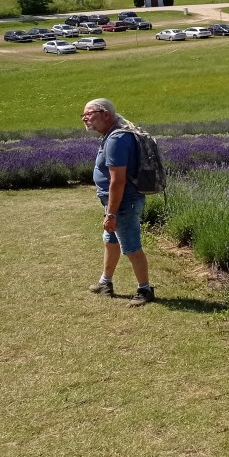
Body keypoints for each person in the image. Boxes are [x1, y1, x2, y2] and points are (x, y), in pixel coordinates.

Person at [83, 98, 155, 306]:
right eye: (83, 115)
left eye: (89, 114)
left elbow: (118, 181)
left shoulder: (117, 139)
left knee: (131, 245)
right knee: (111, 240)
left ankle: (145, 289)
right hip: (115, 202)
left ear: (106, 114)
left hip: (123, 202)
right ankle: (106, 283)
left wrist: (112, 213)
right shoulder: (112, 135)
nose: (85, 118)